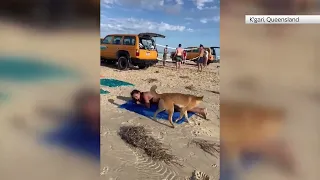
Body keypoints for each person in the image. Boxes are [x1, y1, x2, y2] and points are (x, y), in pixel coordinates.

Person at [130, 89, 207, 119]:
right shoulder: (143, 95)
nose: (136, 98)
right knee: (179, 107)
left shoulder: (144, 95)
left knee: (179, 108)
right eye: (135, 98)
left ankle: (201, 110)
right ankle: (200, 110)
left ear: (139, 93)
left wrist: (140, 103)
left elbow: (148, 106)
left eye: (136, 96)